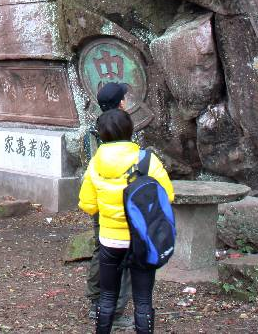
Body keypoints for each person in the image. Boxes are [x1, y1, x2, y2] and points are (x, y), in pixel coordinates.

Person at [79, 109, 174, 334]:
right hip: (141, 239)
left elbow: (87, 204)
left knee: (108, 295)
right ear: (131, 130)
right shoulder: (147, 160)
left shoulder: (95, 163)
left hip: (110, 240)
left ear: (102, 134)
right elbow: (167, 196)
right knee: (142, 300)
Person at [86, 82, 133, 327]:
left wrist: (93, 205)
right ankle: (112, 311)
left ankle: (97, 302)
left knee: (101, 251)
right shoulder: (118, 125)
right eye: (125, 97)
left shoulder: (98, 127)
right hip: (122, 205)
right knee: (122, 258)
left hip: (99, 199)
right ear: (121, 102)